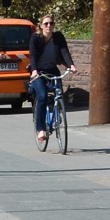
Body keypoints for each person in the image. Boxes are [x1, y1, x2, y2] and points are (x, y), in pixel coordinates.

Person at [28, 14, 73, 150]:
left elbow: (64, 51)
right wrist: (34, 70)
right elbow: (33, 55)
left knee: (58, 93)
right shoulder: (35, 38)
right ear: (41, 26)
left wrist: (71, 65)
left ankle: (57, 111)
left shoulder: (58, 37)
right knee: (42, 96)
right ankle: (41, 129)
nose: (49, 26)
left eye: (51, 24)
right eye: (46, 24)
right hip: (39, 71)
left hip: (52, 70)